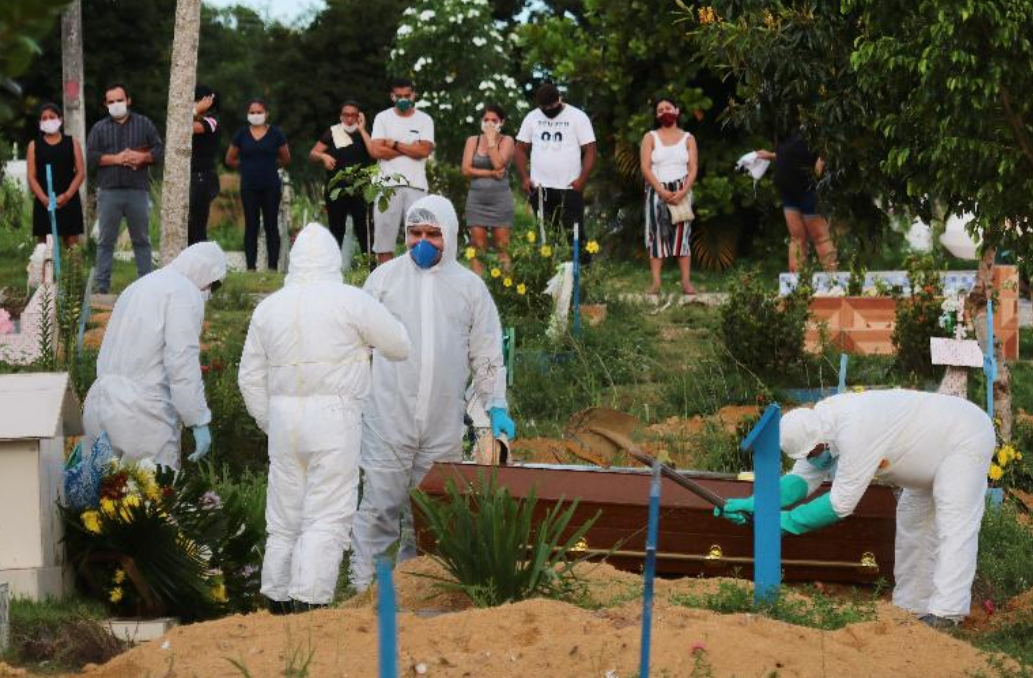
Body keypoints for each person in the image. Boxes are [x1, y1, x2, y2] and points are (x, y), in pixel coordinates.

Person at [238, 223, 410, 614]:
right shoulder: (350, 300)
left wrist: (271, 420)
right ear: (335, 257)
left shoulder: (269, 307)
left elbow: (249, 377)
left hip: (283, 420)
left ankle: (277, 599)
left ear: (295, 259)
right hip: (335, 417)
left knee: (283, 514)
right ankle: (309, 602)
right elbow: (400, 345)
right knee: (327, 513)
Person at [717, 390, 995, 629]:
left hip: (963, 434)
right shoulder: (818, 430)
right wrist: (757, 503)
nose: (815, 459)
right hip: (925, 454)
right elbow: (801, 481)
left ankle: (948, 612)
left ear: (821, 441)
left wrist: (784, 522)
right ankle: (911, 608)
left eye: (814, 453)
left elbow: (841, 503)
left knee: (953, 520)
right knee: (912, 521)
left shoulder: (856, 429)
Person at [349, 195, 516, 592]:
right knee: (378, 509)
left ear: (451, 235)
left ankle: (421, 592)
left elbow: (487, 354)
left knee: (431, 515)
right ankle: (360, 593)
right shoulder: (383, 282)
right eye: (415, 233)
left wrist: (495, 404)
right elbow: (357, 349)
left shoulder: (470, 289)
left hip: (442, 424)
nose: (422, 242)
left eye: (433, 234)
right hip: (387, 418)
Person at [82, 242, 228, 470]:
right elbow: (182, 362)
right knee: (148, 498)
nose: (209, 292)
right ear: (205, 274)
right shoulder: (184, 292)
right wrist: (197, 418)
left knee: (103, 495)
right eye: (213, 285)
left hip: (100, 402)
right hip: (143, 415)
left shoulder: (140, 285)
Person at [86, 83, 164, 294]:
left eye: (119, 100)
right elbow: (91, 156)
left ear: (128, 100)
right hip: (109, 191)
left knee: (142, 239)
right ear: (105, 104)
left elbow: (158, 149)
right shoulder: (99, 128)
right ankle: (101, 286)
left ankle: (146, 285)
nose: (116, 104)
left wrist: (142, 157)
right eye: (111, 101)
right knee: (105, 241)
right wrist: (116, 159)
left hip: (138, 190)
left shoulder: (144, 123)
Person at [514, 82, 596, 250]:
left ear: (560, 98)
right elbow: (520, 149)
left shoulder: (577, 116)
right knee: (547, 237)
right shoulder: (532, 117)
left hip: (570, 188)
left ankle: (582, 273)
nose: (550, 109)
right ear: (539, 105)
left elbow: (590, 151)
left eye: (553, 105)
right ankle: (550, 273)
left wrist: (582, 180)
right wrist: (525, 178)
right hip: (540, 189)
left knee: (575, 235)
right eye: (546, 107)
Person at [369, 77, 435, 264]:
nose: (403, 99)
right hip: (387, 186)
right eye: (399, 96)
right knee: (384, 244)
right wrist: (410, 148)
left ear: (414, 95)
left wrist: (393, 143)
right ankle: (386, 286)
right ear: (392, 96)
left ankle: (416, 284)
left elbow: (424, 150)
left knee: (420, 240)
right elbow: (375, 150)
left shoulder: (424, 120)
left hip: (416, 186)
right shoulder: (382, 118)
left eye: (407, 95)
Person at [640, 97, 698, 298]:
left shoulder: (688, 138)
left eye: (668, 108)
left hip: (682, 190)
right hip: (657, 190)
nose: (664, 111)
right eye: (660, 109)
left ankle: (686, 282)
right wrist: (661, 190)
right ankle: (656, 282)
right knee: (656, 235)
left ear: (677, 110)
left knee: (682, 236)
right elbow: (645, 167)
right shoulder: (650, 137)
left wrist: (683, 191)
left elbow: (693, 168)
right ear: (656, 116)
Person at [756, 129, 837, 272]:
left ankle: (833, 282)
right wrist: (772, 156)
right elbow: (792, 154)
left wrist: (822, 160)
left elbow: (824, 154)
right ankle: (796, 285)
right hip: (790, 192)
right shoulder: (793, 129)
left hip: (809, 190)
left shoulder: (821, 129)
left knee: (820, 237)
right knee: (796, 238)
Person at [226, 99, 290, 271]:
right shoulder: (241, 134)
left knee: (271, 225)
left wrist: (271, 165)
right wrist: (244, 166)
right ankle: (250, 267)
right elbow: (229, 158)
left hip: (271, 185)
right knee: (251, 225)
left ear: (266, 113)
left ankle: (272, 266)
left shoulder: (276, 134)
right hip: (249, 185)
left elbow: (286, 157)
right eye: (252, 112)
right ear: (248, 114)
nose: (255, 115)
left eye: (259, 112)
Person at [308, 100, 374, 254]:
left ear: (359, 117)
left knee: (363, 229)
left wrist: (362, 129)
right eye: (346, 115)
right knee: (336, 230)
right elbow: (312, 154)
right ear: (341, 116)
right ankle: (332, 266)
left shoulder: (364, 134)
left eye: (353, 115)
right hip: (336, 189)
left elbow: (374, 152)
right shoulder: (333, 132)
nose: (349, 118)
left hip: (361, 188)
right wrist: (323, 157)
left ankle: (370, 267)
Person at [461, 103, 515, 274]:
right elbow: (466, 169)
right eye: (486, 120)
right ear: (481, 121)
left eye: (494, 120)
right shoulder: (472, 140)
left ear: (502, 122)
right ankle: (478, 290)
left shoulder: (507, 141)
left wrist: (491, 141)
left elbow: (499, 162)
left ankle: (505, 292)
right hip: (477, 201)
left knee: (503, 248)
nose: (490, 123)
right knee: (477, 248)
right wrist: (491, 173)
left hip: (501, 201)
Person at [27, 103, 84, 247]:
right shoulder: (34, 145)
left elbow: (80, 172)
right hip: (44, 200)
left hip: (68, 198)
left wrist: (66, 196)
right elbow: (31, 176)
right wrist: (44, 199)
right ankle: (45, 270)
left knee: (72, 244)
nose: (48, 120)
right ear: (40, 123)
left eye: (51, 117)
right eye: (44, 118)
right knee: (44, 247)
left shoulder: (72, 143)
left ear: (60, 119)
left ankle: (74, 270)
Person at [188, 85, 220, 245]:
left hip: (203, 178)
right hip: (190, 177)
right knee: (188, 225)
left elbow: (184, 128)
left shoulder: (212, 120)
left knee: (197, 225)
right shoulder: (193, 117)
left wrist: (195, 110)